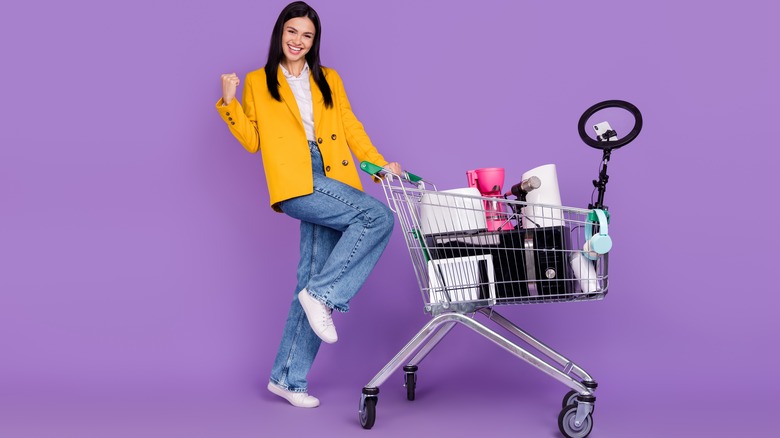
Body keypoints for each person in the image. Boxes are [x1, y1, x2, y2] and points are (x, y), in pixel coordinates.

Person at [216, 1, 401, 408]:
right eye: (292, 32)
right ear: (279, 33)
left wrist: (377, 166)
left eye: (307, 35)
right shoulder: (257, 81)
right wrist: (229, 102)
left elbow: (351, 125)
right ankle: (326, 295)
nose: (298, 41)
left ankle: (287, 378)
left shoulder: (328, 78)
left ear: (314, 41)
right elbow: (252, 140)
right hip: (295, 179)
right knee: (377, 217)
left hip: (332, 174)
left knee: (310, 278)